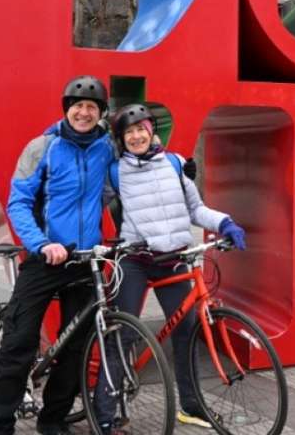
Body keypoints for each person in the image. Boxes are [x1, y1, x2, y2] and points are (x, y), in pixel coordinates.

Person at [94, 103, 247, 434]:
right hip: (134, 261)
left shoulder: (175, 164)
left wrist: (225, 223)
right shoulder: (116, 172)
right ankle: (105, 413)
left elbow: (196, 209)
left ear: (152, 132)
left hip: (174, 259)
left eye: (141, 130)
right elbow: (93, 206)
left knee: (187, 333)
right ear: (122, 139)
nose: (136, 136)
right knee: (121, 333)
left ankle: (191, 407)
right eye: (128, 132)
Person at [0, 75, 114, 435]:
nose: (84, 113)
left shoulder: (107, 147)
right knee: (19, 343)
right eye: (78, 106)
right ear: (67, 110)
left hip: (85, 260)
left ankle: (52, 420)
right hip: (46, 258)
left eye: (91, 107)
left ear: (101, 113)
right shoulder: (42, 147)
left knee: (75, 350)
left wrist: (179, 166)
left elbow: (138, 167)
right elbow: (19, 203)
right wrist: (42, 244)